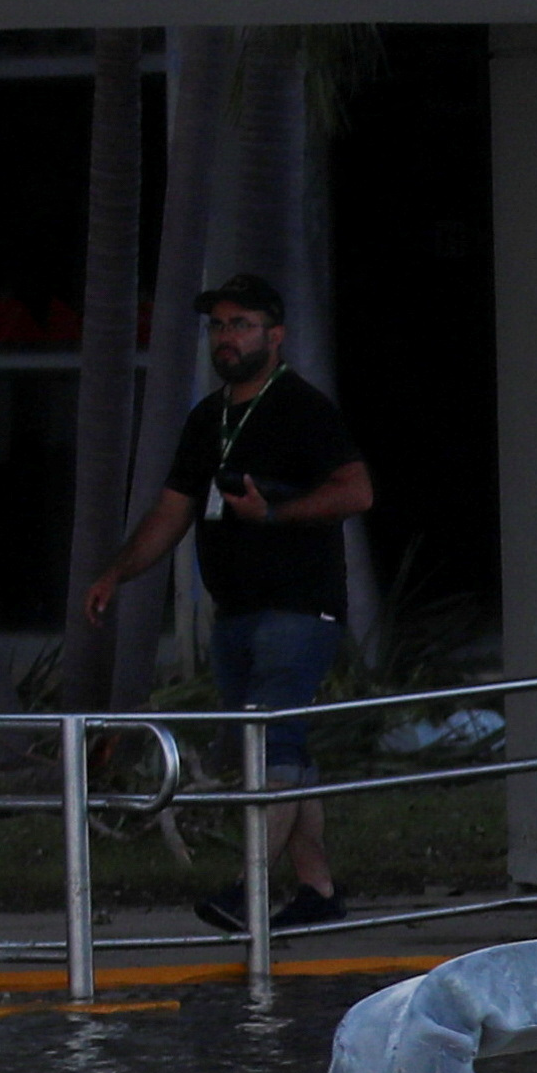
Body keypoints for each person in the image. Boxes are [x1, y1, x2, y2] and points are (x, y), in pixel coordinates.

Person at [83, 276, 374, 932]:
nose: (226, 337)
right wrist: (117, 573)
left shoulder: (301, 407)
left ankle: (249, 887)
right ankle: (317, 891)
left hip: (298, 608)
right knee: (278, 751)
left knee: (273, 743)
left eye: (241, 324)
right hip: (235, 611)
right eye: (217, 326)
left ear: (273, 335)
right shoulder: (206, 417)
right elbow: (171, 510)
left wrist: (275, 512)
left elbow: (356, 492)